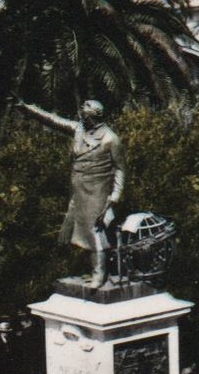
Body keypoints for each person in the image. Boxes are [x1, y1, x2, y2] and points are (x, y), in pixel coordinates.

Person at [15, 98, 126, 287]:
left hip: (98, 190)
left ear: (92, 114)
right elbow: (53, 120)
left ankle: (100, 274)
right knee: (81, 230)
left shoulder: (110, 138)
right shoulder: (79, 129)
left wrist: (115, 196)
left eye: (84, 109)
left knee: (95, 231)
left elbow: (120, 169)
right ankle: (91, 269)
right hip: (79, 188)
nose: (81, 111)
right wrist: (27, 108)